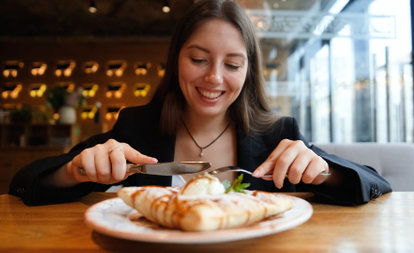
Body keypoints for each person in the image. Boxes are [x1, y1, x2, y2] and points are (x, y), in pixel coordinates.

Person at [9, 0, 391, 206]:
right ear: (176, 61)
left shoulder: (278, 133)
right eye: (198, 59)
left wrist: (324, 173)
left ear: (248, 71)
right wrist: (78, 172)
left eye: (232, 64)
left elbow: (376, 184)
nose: (214, 78)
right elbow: (26, 183)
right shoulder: (137, 127)